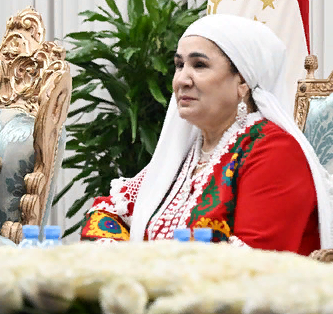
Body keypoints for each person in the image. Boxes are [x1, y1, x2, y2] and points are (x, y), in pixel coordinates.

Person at [81, 14, 333, 255]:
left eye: (199, 65)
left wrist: (143, 269)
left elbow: (253, 260)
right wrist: (121, 262)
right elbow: (108, 211)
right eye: (179, 65)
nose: (181, 80)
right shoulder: (189, 153)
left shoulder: (274, 151)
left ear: (243, 82)